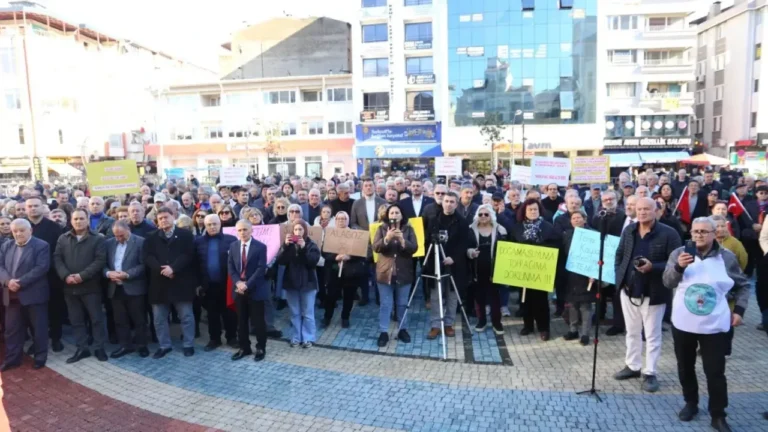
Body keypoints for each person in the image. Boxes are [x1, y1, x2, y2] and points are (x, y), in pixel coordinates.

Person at [662, 217, 749, 432]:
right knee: (685, 366)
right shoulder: (678, 254)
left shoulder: (726, 257)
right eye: (695, 231)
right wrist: (679, 267)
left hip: (715, 325)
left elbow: (743, 285)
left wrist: (739, 311)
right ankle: (691, 403)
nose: (699, 235)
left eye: (704, 231)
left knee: (715, 371)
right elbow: (667, 282)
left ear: (714, 233)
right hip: (683, 324)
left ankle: (718, 414)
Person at [613, 197, 682, 392]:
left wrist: (654, 267)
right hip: (629, 290)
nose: (642, 212)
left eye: (646, 209)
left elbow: (676, 263)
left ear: (656, 211)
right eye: (639, 209)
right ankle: (633, 366)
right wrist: (620, 275)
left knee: (652, 335)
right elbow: (619, 254)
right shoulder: (629, 230)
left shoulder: (669, 233)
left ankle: (650, 372)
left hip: (654, 292)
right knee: (632, 332)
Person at [53, 208, 108, 363]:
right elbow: (57, 258)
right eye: (75, 219)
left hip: (91, 287)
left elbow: (99, 261)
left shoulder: (98, 238)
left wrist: (81, 276)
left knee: (96, 319)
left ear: (88, 219)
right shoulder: (63, 238)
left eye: (81, 218)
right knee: (76, 320)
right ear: (71, 221)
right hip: (69, 287)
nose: (78, 221)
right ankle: (82, 348)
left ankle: (99, 347)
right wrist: (66, 276)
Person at [143, 207, 197, 359]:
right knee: (159, 318)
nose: (163, 220)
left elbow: (188, 255)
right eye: (160, 218)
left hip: (180, 281)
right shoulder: (151, 237)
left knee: (186, 316)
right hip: (159, 283)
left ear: (173, 216)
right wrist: (162, 269)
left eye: (166, 217)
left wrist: (173, 268)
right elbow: (147, 257)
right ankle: (164, 345)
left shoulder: (185, 235)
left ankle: (188, 344)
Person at [0, 219, 50, 371]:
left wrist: (19, 282)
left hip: (33, 294)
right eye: (15, 231)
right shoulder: (6, 245)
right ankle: (12, 359)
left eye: (22, 230)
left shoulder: (41, 245)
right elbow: (0, 266)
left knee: (39, 328)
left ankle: (40, 358)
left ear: (30, 230)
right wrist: (8, 282)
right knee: (12, 329)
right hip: (12, 295)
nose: (18, 234)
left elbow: (41, 268)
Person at [511, 199, 561, 341]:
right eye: (530, 210)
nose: (533, 212)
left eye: (535, 209)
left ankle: (544, 328)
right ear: (524, 212)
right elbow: (511, 245)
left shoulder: (547, 227)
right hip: (523, 269)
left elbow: (555, 246)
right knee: (525, 299)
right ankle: (527, 325)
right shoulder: (517, 228)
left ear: (540, 211)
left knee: (541, 301)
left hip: (541, 270)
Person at [425, 191, 469, 340]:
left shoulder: (462, 221)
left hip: (454, 263)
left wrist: (454, 257)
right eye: (446, 201)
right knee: (436, 295)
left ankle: (449, 324)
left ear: (456, 204)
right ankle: (436, 325)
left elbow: (464, 243)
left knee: (451, 295)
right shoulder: (433, 220)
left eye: (452, 202)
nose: (449, 204)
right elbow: (427, 241)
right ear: (442, 202)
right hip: (436, 262)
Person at [372, 204, 418, 346]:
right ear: (387, 215)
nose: (394, 215)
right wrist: (387, 238)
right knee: (385, 304)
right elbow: (376, 247)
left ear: (402, 215)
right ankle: (383, 331)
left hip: (404, 272)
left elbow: (414, 248)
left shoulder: (409, 229)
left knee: (402, 303)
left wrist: (403, 241)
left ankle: (402, 329)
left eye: (397, 212)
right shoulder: (381, 228)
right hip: (385, 272)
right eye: (391, 213)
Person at [103, 220, 149, 359]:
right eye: (116, 235)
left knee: (139, 319)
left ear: (128, 230)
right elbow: (103, 264)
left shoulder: (140, 242)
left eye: (121, 235)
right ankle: (125, 345)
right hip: (115, 288)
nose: (119, 238)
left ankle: (142, 345)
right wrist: (108, 273)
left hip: (134, 287)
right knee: (120, 319)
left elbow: (143, 265)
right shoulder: (109, 243)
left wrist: (127, 275)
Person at [24, 197, 65, 352]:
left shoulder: (54, 227)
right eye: (30, 206)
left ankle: (56, 338)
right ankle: (38, 341)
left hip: (51, 275)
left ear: (43, 207)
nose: (33, 208)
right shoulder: (22, 226)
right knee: (33, 313)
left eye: (36, 206)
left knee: (55, 308)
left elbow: (59, 252)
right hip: (28, 277)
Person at [195, 214, 238, 351]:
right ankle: (215, 339)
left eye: (215, 224)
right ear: (205, 226)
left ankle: (232, 338)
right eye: (209, 224)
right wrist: (198, 284)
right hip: (208, 286)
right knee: (212, 314)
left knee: (229, 313)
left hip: (227, 284)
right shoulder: (198, 242)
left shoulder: (231, 240)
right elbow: (194, 264)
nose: (212, 227)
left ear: (220, 224)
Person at [228, 219, 269, 362]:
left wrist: (247, 284)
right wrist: (238, 282)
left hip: (255, 289)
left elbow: (261, 268)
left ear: (252, 230)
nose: (242, 232)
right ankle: (244, 347)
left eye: (245, 229)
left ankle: (260, 347)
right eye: (239, 230)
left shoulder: (260, 247)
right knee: (241, 320)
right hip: (239, 290)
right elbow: (231, 267)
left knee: (258, 321)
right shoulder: (233, 246)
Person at [277, 219, 321, 347]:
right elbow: (280, 261)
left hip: (308, 283)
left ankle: (308, 338)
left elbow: (312, 262)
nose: (298, 232)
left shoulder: (311, 245)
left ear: (305, 231)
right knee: (295, 312)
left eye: (300, 229)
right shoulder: (288, 245)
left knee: (307, 313)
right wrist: (285, 246)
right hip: (291, 283)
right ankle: (296, 337)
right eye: (295, 229)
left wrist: (303, 248)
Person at [467, 204, 508, 335]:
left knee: (495, 296)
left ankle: (497, 322)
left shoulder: (500, 230)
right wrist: (470, 252)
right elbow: (465, 247)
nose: (483, 217)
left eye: (486, 214)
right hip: (476, 268)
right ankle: (482, 320)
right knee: (479, 296)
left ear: (491, 215)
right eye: (480, 214)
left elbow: (507, 249)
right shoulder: (470, 229)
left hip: (494, 268)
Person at [322, 211, 364, 328]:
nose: (341, 221)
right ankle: (327, 316)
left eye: (344, 219)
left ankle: (345, 317)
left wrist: (349, 256)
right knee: (331, 295)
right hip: (333, 270)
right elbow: (324, 251)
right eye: (339, 219)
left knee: (348, 295)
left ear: (348, 220)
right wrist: (335, 257)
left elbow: (360, 252)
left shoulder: (354, 234)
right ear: (335, 221)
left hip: (350, 271)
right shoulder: (330, 234)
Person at [561, 210, 597, 346]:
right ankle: (573, 330)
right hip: (571, 274)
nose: (576, 220)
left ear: (585, 219)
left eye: (578, 217)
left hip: (587, 275)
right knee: (572, 304)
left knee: (585, 306)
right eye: (573, 218)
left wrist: (594, 274)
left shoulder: (593, 234)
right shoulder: (567, 234)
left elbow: (596, 255)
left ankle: (585, 334)